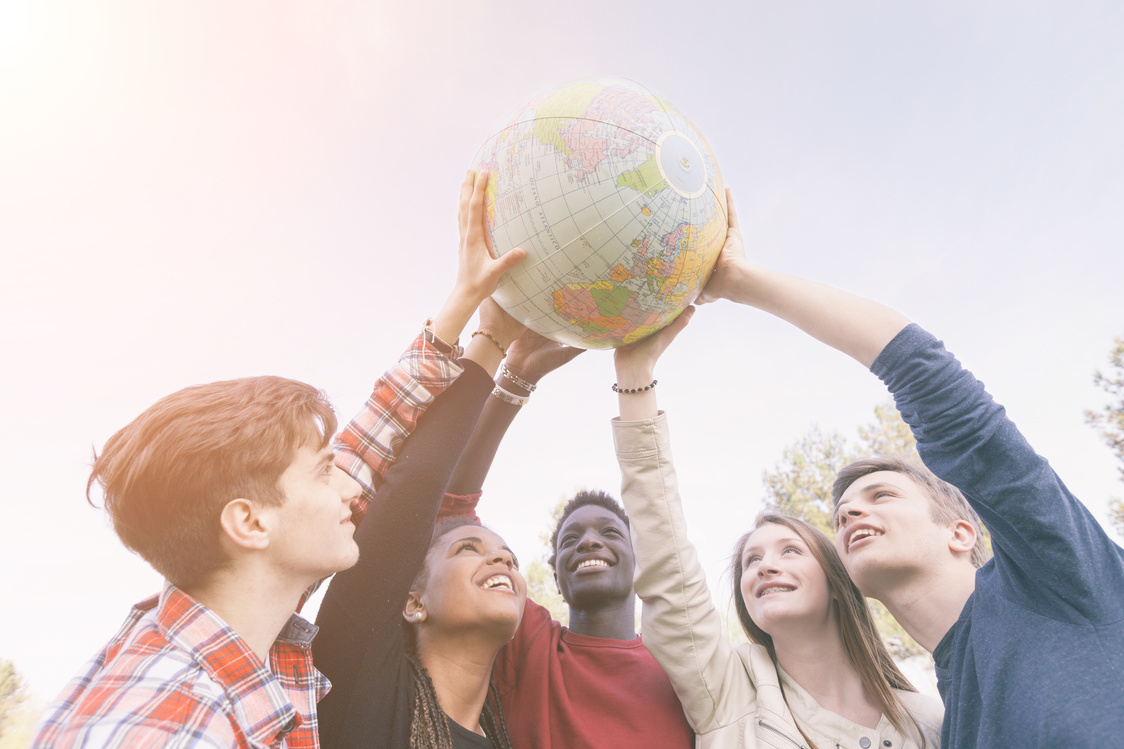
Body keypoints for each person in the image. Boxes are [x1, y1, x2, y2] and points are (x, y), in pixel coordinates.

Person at [32, 170, 522, 749]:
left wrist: (469, 310)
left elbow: (370, 444)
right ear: (250, 522)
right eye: (322, 471)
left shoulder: (233, 636)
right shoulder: (173, 723)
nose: (349, 488)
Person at [697, 190, 1124, 746]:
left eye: (881, 496)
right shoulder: (949, 729)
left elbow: (930, 380)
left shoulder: (1056, 579)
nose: (848, 509)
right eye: (843, 510)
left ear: (961, 531)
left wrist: (738, 280)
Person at [609, 302, 944, 749]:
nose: (764, 567)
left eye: (790, 551)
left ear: (836, 578)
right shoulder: (729, 689)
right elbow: (666, 564)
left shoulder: (930, 721)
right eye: (751, 561)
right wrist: (634, 378)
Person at [311, 173, 532, 749]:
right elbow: (412, 488)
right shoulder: (359, 679)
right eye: (468, 547)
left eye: (506, 554)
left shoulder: (505, 736)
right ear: (412, 602)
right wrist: (491, 338)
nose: (502, 559)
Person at [434, 331, 695, 748]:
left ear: (641, 560)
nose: (588, 542)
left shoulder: (685, 673)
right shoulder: (531, 647)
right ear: (556, 576)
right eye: (570, 539)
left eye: (610, 532)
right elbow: (449, 512)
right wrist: (515, 378)